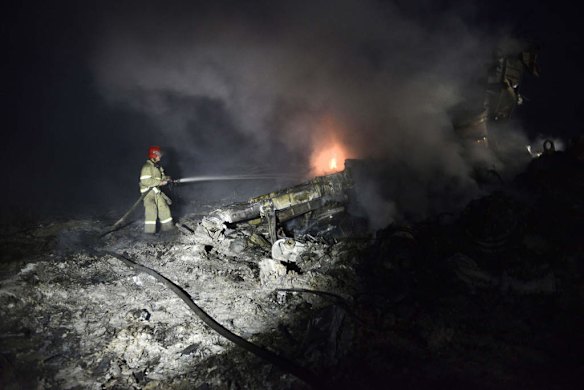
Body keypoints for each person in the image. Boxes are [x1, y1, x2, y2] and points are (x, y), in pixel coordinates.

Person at [139, 146, 174, 233]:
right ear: (153, 155)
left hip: (157, 191)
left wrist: (167, 178)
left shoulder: (158, 167)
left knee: (164, 207)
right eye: (159, 155)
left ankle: (168, 229)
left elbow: (162, 177)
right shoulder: (147, 167)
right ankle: (149, 233)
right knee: (151, 210)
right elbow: (145, 181)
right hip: (148, 193)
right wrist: (160, 183)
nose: (160, 156)